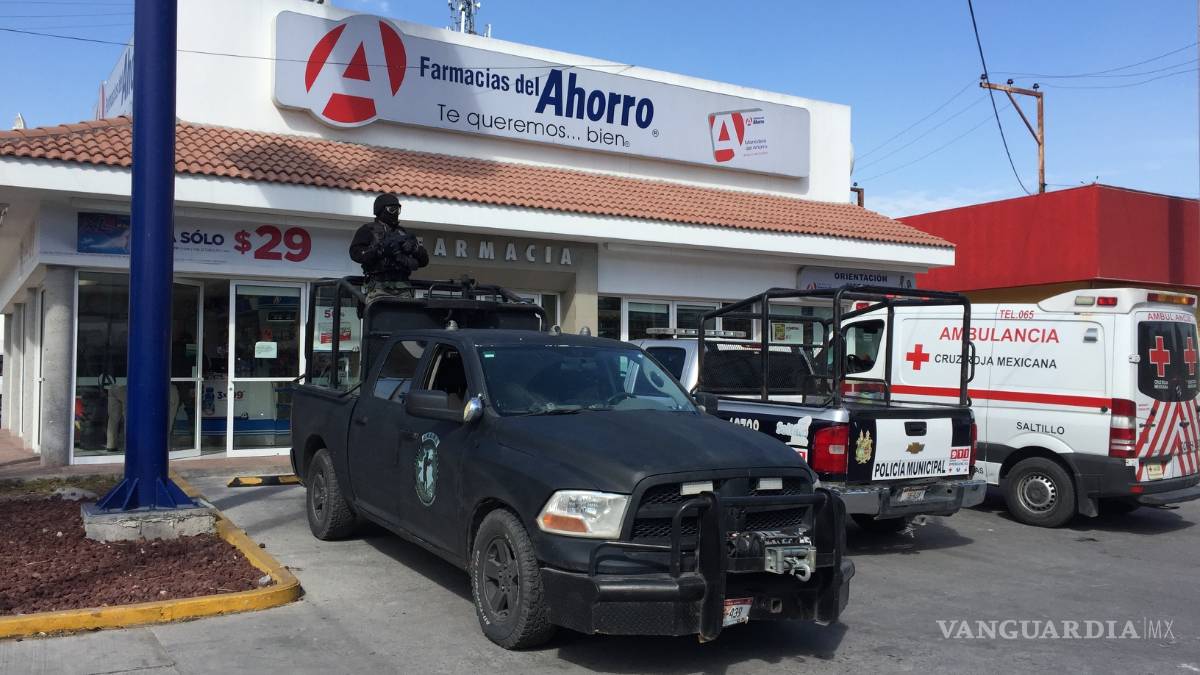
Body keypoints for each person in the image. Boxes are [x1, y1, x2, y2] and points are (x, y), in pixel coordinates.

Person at [349, 194, 429, 302]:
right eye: (392, 209)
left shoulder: (403, 233)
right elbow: (355, 254)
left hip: (403, 288)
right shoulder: (368, 230)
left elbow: (424, 261)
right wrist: (379, 251)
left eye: (398, 209)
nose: (395, 213)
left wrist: (414, 249)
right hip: (378, 287)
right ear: (381, 210)